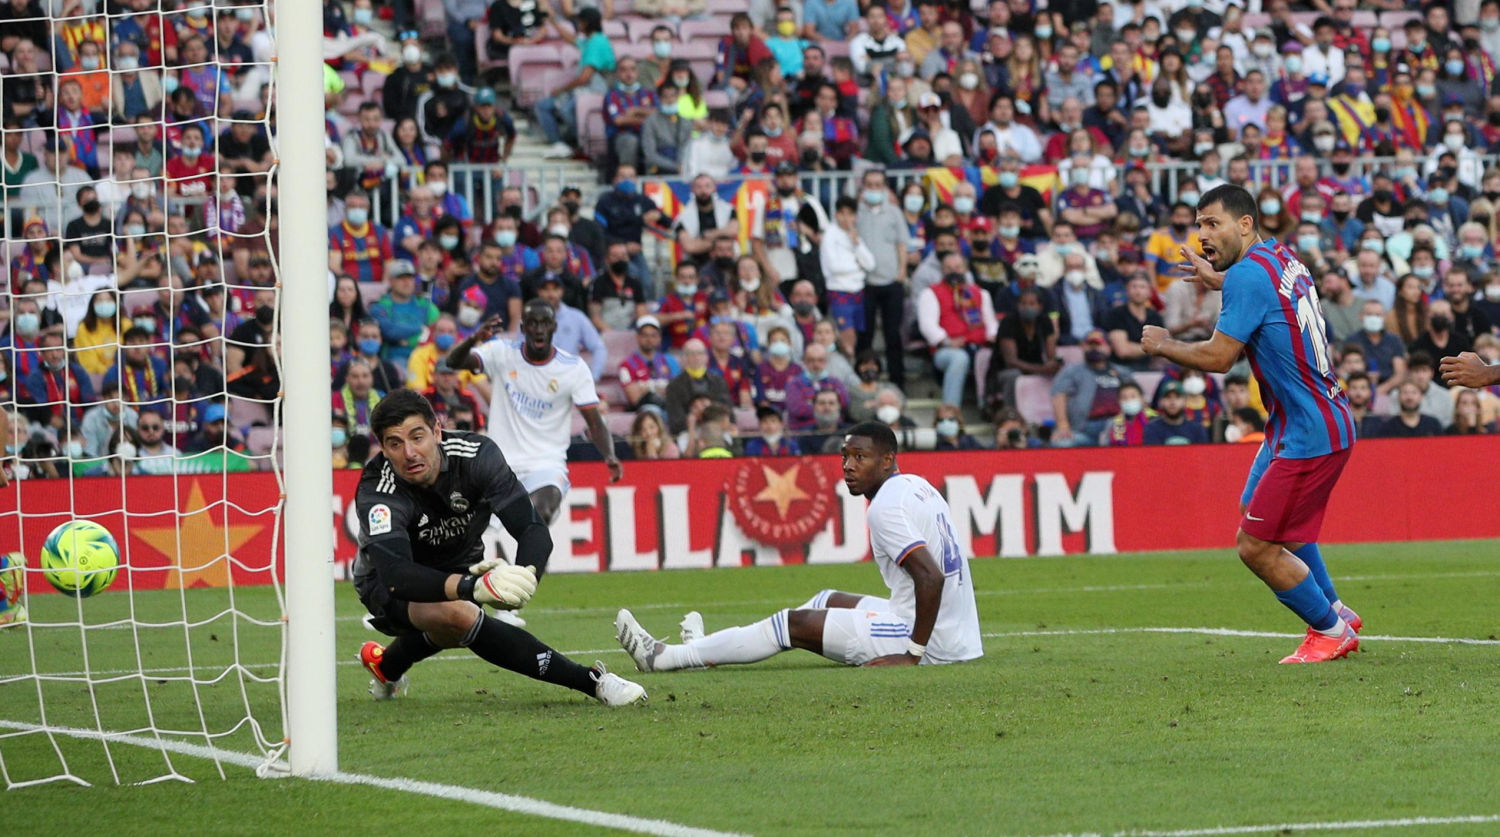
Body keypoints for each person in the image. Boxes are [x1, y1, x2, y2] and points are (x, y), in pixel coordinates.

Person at [1141, 184, 1360, 664]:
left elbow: (1220, 357)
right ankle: (1337, 609)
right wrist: (1219, 280)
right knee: (1263, 512)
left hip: (1309, 432)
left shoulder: (1246, 278)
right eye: (1198, 225)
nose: (1202, 236)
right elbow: (1262, 288)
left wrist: (1163, 344)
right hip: (1307, 419)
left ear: (1244, 224)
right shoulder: (1282, 257)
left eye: (1212, 223)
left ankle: (1329, 630)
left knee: (1255, 546)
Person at [353, 389, 645, 706]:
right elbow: (398, 574)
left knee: (453, 623)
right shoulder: (377, 489)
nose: (409, 453)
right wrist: (470, 587)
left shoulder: (476, 456)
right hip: (388, 585)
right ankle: (592, 682)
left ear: (437, 431)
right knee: (459, 615)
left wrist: (524, 578)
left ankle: (385, 666)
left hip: (457, 564)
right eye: (395, 444)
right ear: (382, 448)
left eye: (417, 437)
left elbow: (531, 528)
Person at [615, 421, 981, 670]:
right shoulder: (916, 484)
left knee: (789, 624)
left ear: (887, 461)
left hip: (931, 641)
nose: (848, 466)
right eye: (845, 456)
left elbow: (931, 577)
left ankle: (667, 657)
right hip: (954, 631)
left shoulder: (885, 506)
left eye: (860, 457)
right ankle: (710, 650)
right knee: (824, 599)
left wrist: (912, 654)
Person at [447, 302, 623, 529]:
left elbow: (595, 421)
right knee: (469, 530)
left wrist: (609, 455)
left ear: (554, 327)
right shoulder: (501, 352)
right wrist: (473, 340)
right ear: (523, 327)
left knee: (543, 511)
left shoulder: (572, 368)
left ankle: (531, 563)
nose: (539, 329)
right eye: (532, 323)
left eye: (544, 323)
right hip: (499, 463)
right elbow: (454, 362)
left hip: (546, 463)